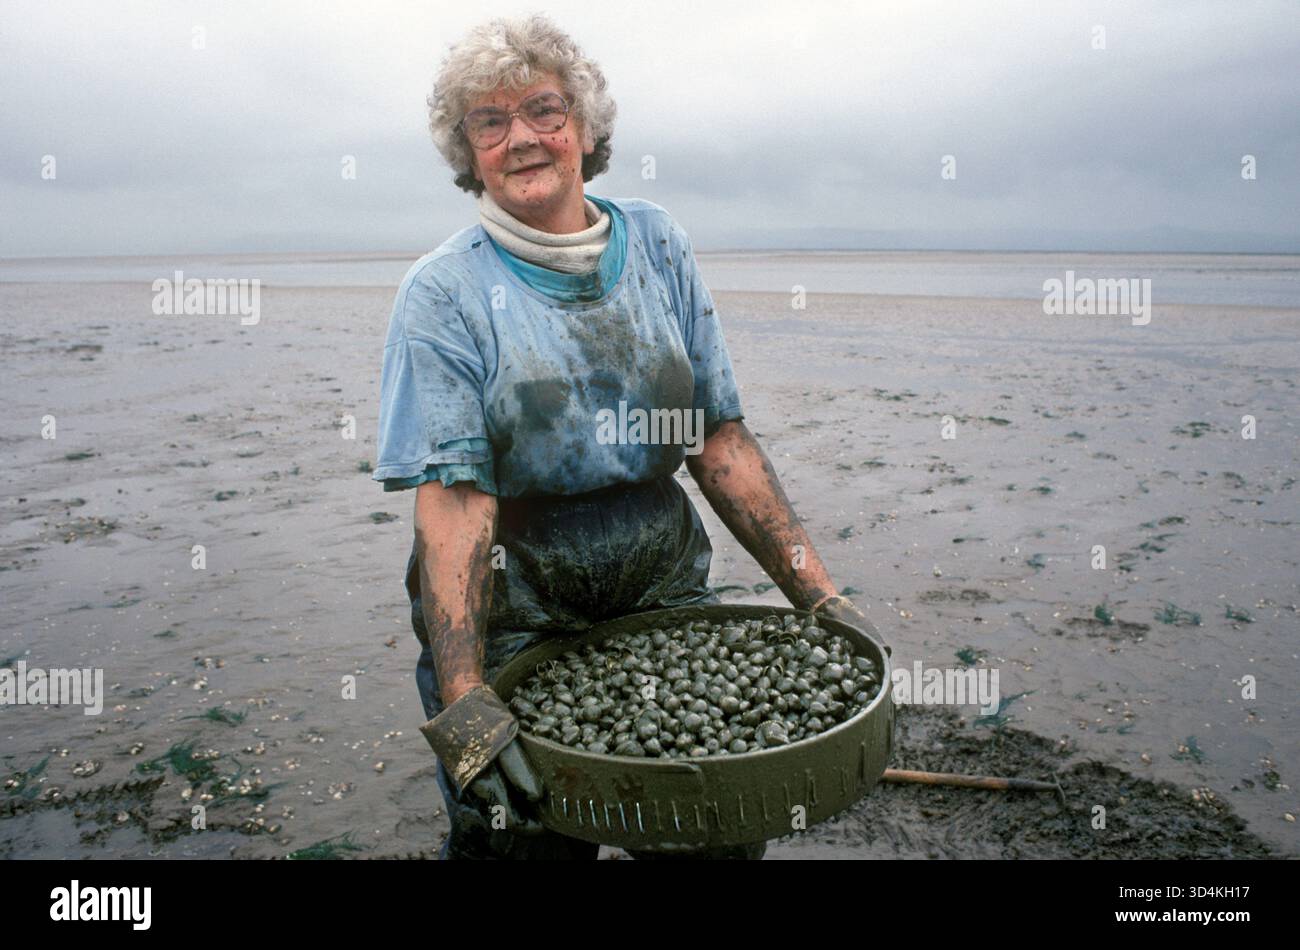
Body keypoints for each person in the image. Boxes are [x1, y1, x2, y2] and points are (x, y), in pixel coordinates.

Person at [373, 13, 877, 860]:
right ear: (468, 153)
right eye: (489, 123)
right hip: (513, 597)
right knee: (515, 828)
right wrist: (464, 700)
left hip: (657, 576)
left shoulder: (658, 243)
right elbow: (457, 499)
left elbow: (717, 441)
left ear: (586, 127)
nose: (522, 138)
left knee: (708, 815)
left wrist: (820, 598)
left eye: (544, 110)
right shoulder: (443, 292)